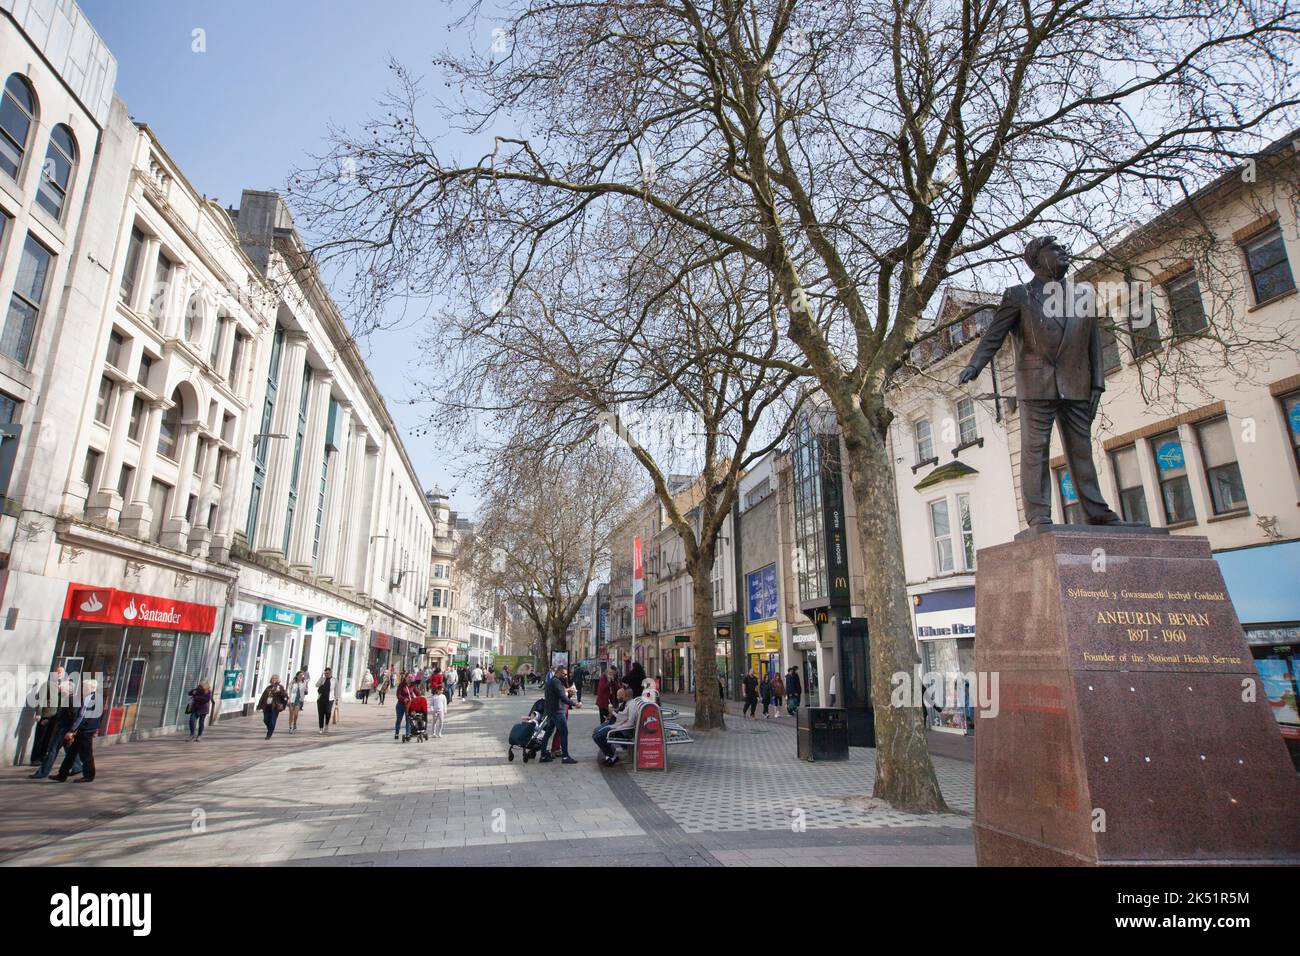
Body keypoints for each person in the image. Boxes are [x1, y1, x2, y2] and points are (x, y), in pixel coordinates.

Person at [50, 678, 101, 783]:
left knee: (86, 754)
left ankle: (89, 776)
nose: (82, 688)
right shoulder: (95, 698)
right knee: (71, 753)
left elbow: (82, 717)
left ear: (91, 688)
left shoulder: (90, 699)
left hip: (85, 731)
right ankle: (62, 774)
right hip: (87, 729)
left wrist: (72, 730)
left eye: (84, 686)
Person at [30, 678, 80, 779]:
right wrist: (48, 720)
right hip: (64, 730)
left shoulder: (71, 700)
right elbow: (60, 714)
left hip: (63, 731)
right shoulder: (67, 699)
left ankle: (42, 773)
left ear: (67, 689)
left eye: (63, 686)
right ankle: (77, 766)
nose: (60, 687)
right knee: (69, 750)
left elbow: (76, 717)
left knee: (52, 750)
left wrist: (71, 731)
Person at [538, 665, 581, 764]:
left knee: (548, 733)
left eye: (566, 674)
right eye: (564, 674)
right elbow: (562, 697)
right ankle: (565, 757)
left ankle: (543, 755)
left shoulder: (551, 682)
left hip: (551, 711)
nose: (566, 676)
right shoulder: (556, 682)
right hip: (557, 711)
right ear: (558, 672)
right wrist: (575, 704)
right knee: (564, 733)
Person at [593, 686, 642, 766]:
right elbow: (623, 716)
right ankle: (610, 755)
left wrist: (615, 728)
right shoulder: (627, 703)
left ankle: (612, 756)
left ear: (625, 696)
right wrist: (614, 714)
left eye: (619, 695)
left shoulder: (631, 705)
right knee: (596, 732)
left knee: (597, 736)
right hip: (618, 726)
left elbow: (630, 723)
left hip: (622, 730)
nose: (617, 697)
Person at [29, 665, 66, 766]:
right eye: (58, 672)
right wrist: (39, 713)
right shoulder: (47, 684)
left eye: (61, 673)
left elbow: (60, 702)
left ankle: (42, 756)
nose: (60, 675)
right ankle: (35, 758)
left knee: (48, 737)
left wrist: (62, 693)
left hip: (55, 716)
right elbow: (41, 700)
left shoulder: (60, 686)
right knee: (40, 737)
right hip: (46, 714)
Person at [315, 668, 338, 735]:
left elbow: (336, 690)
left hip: (330, 699)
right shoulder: (322, 679)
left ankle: (326, 725)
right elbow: (316, 685)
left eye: (327, 673)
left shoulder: (334, 680)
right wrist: (321, 678)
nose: (326, 675)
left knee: (328, 712)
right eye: (325, 673)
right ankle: (321, 728)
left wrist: (336, 699)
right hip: (321, 699)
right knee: (321, 714)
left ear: (331, 673)